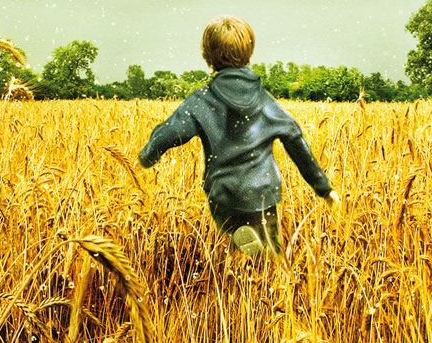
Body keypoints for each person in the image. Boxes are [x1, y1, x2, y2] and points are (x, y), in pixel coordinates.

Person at [137, 15, 338, 255]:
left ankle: (239, 240)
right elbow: (294, 139)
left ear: (206, 56)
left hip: (225, 194)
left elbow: (170, 133)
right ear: (249, 52)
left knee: (236, 244)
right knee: (269, 253)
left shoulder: (202, 100)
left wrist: (146, 156)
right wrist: (323, 188)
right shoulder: (263, 101)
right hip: (263, 191)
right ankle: (261, 261)